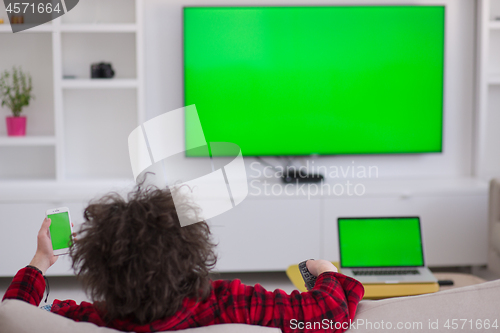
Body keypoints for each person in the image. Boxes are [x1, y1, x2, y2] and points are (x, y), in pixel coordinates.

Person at [2, 185, 364, 332]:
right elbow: (328, 315)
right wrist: (326, 271)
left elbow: (14, 314)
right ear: (190, 251)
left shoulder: (88, 318)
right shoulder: (231, 303)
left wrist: (40, 262)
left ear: (99, 269)